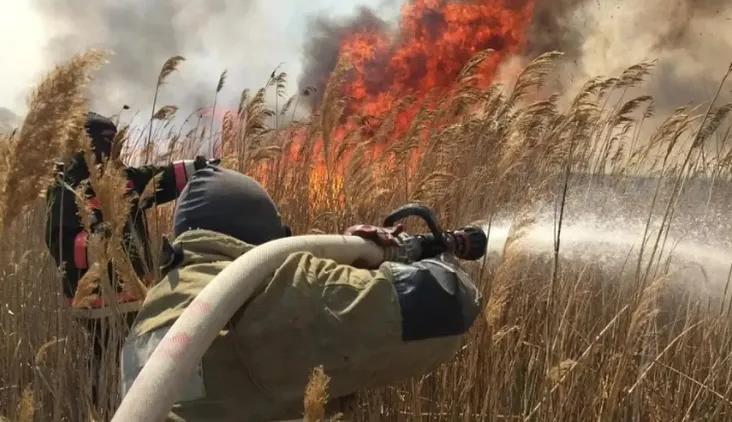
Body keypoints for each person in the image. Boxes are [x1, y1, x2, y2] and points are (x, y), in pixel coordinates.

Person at [120, 165, 484, 421]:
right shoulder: (269, 289)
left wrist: (355, 270)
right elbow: (447, 303)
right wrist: (439, 256)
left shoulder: (152, 316)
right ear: (271, 239)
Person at [44, 111, 217, 403]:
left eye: (115, 141)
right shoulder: (67, 187)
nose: (113, 149)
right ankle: (104, 405)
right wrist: (114, 248)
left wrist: (199, 167)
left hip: (135, 298)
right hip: (97, 304)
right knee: (106, 362)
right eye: (106, 141)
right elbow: (61, 243)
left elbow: (159, 177)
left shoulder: (121, 178)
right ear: (85, 143)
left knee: (138, 361)